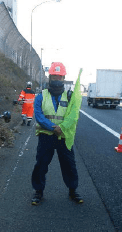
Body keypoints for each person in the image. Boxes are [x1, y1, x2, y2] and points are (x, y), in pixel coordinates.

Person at [31, 62, 83, 205]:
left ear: (64, 78)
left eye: (59, 77)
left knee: (69, 165)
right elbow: (39, 115)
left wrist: (63, 128)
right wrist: (53, 127)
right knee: (41, 165)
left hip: (63, 137)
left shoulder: (70, 96)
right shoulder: (41, 96)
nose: (56, 79)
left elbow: (73, 115)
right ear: (49, 76)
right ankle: (38, 191)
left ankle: (73, 191)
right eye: (54, 75)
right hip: (46, 136)